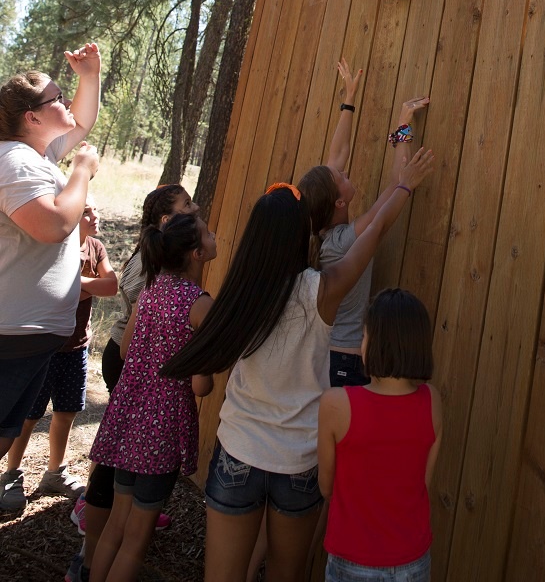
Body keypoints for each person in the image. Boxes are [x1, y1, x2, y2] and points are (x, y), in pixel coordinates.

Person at [162, 147, 435, 582]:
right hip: (298, 462)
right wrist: (404, 184)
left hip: (239, 452)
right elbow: (378, 227)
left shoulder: (239, 295)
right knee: (288, 574)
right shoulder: (321, 289)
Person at [67, 185, 200, 581]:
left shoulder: (157, 258)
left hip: (134, 363)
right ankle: (87, 561)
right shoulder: (156, 270)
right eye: (186, 205)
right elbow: (146, 322)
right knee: (115, 466)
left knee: (122, 460)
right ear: (165, 221)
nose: (194, 208)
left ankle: (100, 553)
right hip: (133, 364)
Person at [0, 44, 101, 479]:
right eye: (56, 98)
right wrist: (81, 172)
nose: (65, 103)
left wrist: (90, 74)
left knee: (4, 432)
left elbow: (82, 121)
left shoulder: (36, 155)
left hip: (29, 333)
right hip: (13, 331)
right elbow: (53, 225)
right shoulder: (17, 163)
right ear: (32, 117)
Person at [298, 60, 429, 388]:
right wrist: (402, 128)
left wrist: (349, 100)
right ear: (339, 202)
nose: (344, 171)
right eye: (341, 178)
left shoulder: (324, 230)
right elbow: (390, 201)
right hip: (344, 361)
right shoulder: (343, 241)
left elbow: (337, 154)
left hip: (330, 356)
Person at [2, 195, 117, 513]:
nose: (96, 217)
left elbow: (112, 286)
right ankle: (11, 474)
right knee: (30, 416)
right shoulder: (53, 247)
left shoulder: (96, 249)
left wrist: (75, 283)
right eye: (88, 212)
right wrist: (88, 284)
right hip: (44, 348)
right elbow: (46, 286)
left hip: (76, 348)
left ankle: (55, 473)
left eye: (97, 211)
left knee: (66, 412)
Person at [317, 289, 442, 582]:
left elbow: (326, 486)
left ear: (376, 343)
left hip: (352, 558)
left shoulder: (336, 404)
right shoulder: (432, 401)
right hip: (413, 560)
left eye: (364, 336)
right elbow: (422, 481)